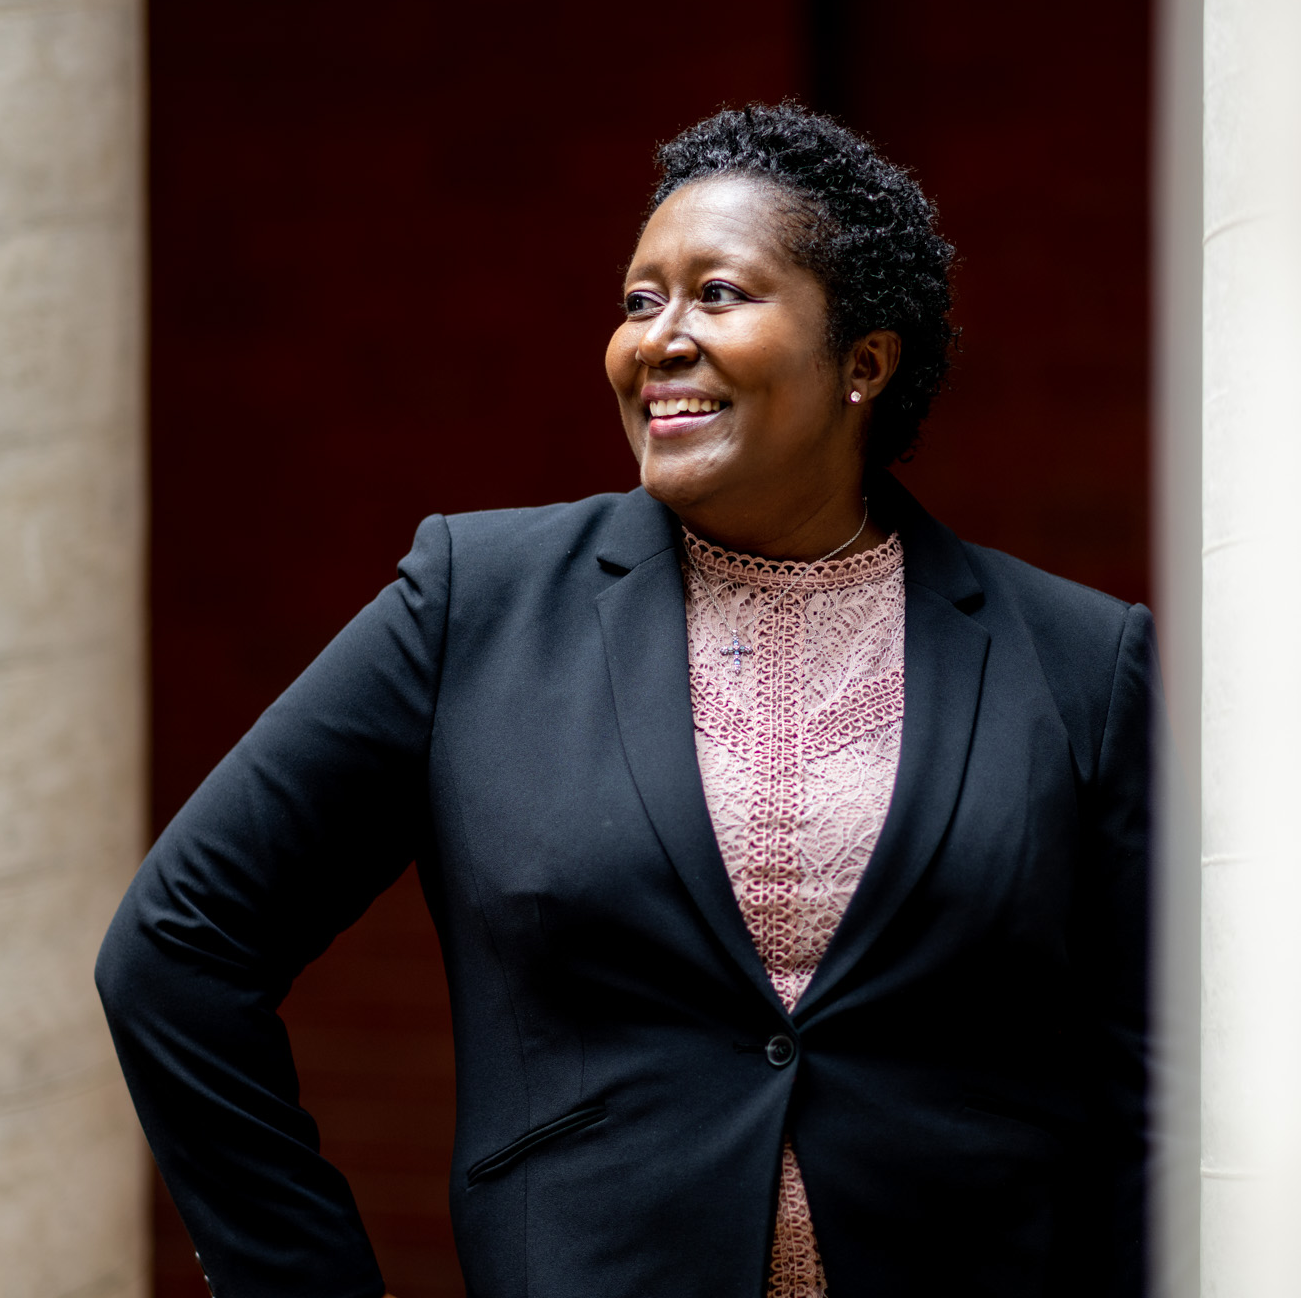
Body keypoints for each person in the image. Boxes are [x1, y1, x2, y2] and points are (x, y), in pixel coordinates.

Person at [96, 103, 1154, 1298]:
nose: (660, 337)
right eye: (641, 299)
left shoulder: (1078, 662)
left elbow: (1146, 1090)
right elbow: (175, 951)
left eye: (718, 294)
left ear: (865, 360)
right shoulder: (471, 606)